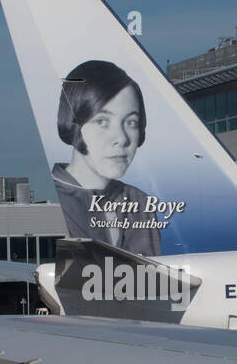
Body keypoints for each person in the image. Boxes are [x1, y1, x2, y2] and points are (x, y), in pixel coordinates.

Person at [52, 60, 161, 255]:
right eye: (102, 121)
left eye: (131, 122)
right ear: (73, 124)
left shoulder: (140, 203)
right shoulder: (54, 199)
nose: (121, 138)